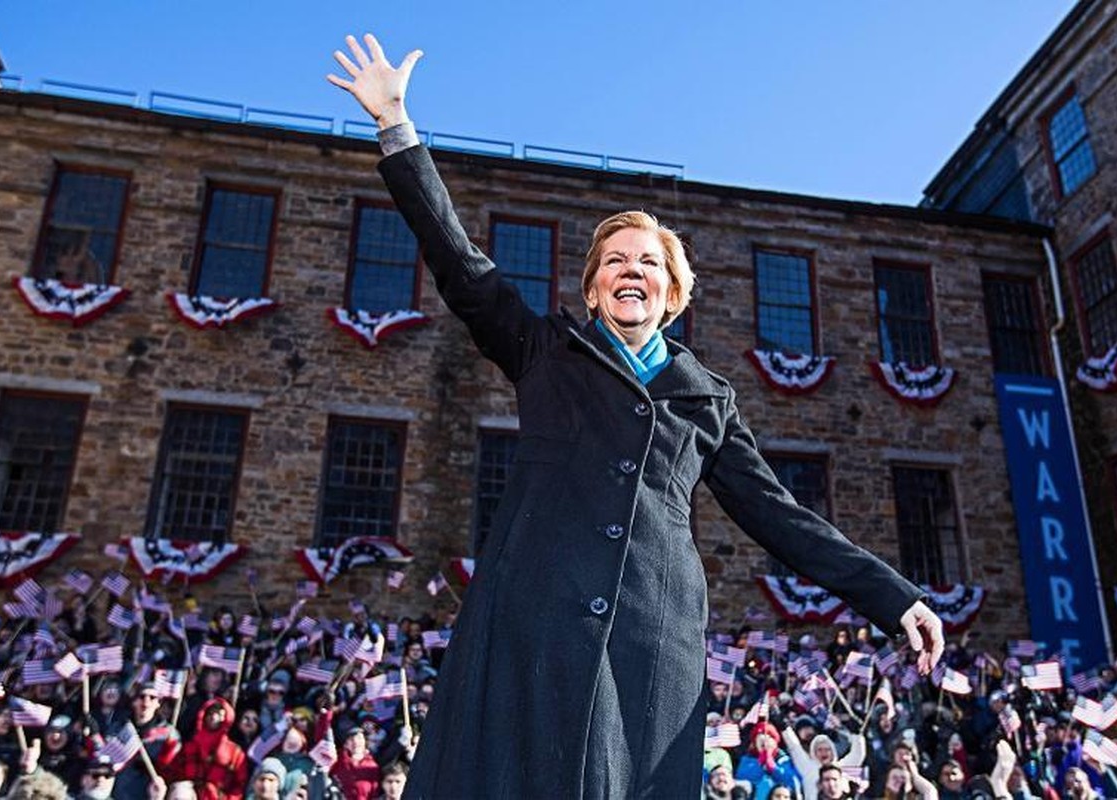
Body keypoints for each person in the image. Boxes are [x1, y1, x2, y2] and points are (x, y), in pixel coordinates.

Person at [325, 32, 945, 799]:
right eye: (615, 260)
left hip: (650, 646)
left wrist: (895, 597)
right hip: (536, 627)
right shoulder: (544, 351)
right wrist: (397, 129)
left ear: (672, 294)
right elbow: (461, 263)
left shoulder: (708, 397)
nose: (632, 270)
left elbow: (780, 516)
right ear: (592, 291)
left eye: (649, 262)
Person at [174, 697, 248, 800]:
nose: (214, 717)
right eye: (210, 713)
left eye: (219, 714)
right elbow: (176, 774)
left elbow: (240, 784)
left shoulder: (235, 752)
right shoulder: (189, 747)